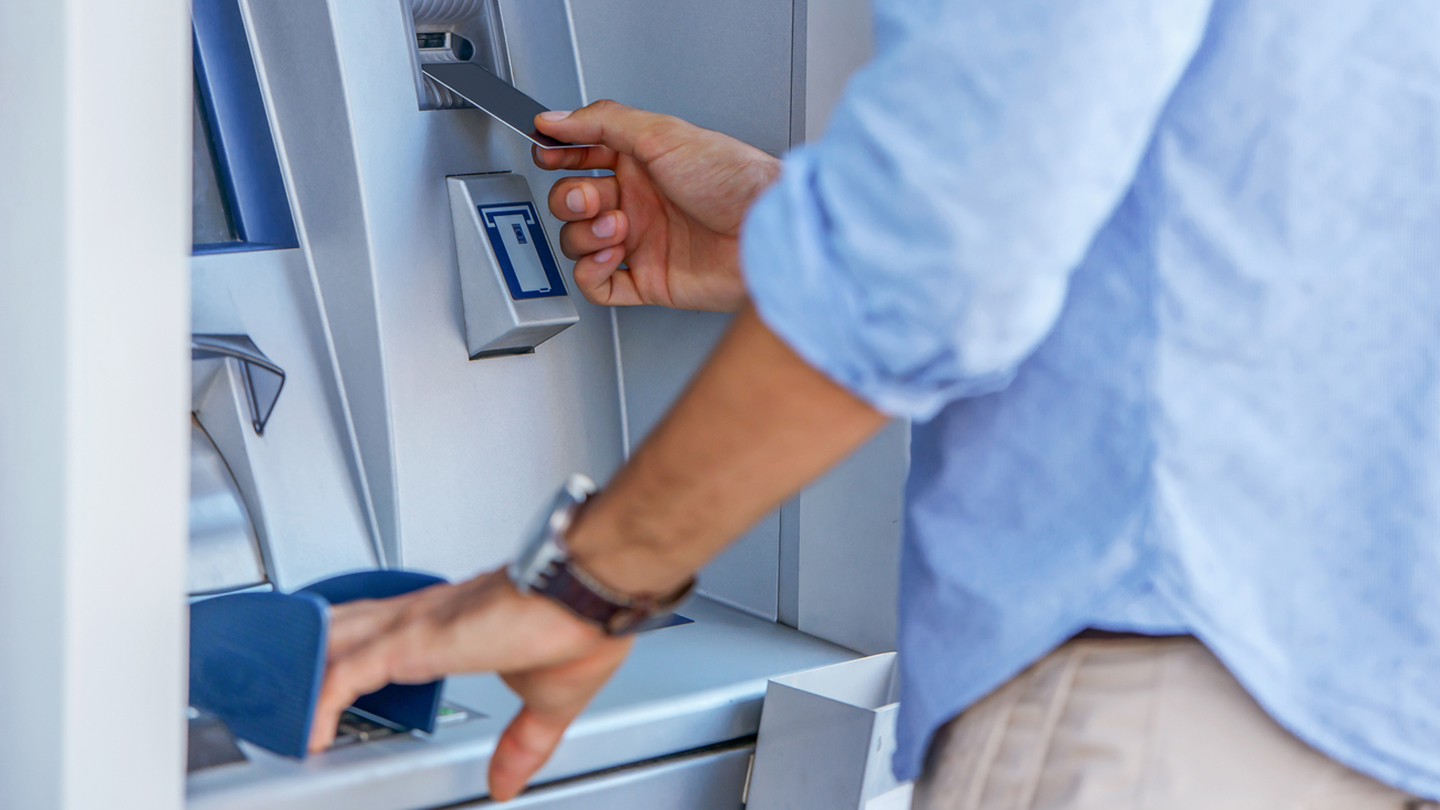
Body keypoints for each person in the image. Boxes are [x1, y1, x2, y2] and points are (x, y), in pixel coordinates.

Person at [306, 1, 1440, 806]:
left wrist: (590, 585)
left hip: (1166, 696)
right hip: (1370, 694)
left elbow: (954, 249)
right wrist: (791, 228)